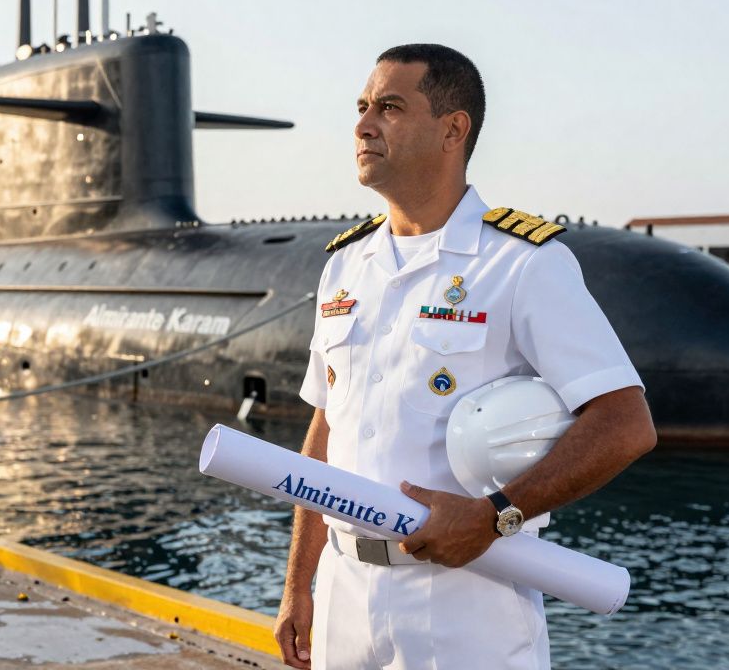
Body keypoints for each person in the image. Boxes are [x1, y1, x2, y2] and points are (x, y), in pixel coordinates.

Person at [274, 44, 657, 670]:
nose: (363, 125)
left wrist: (495, 517)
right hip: (346, 596)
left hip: (466, 602)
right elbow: (326, 431)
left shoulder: (522, 263)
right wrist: (298, 585)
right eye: (363, 107)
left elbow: (625, 422)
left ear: (454, 129)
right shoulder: (346, 266)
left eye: (390, 108)